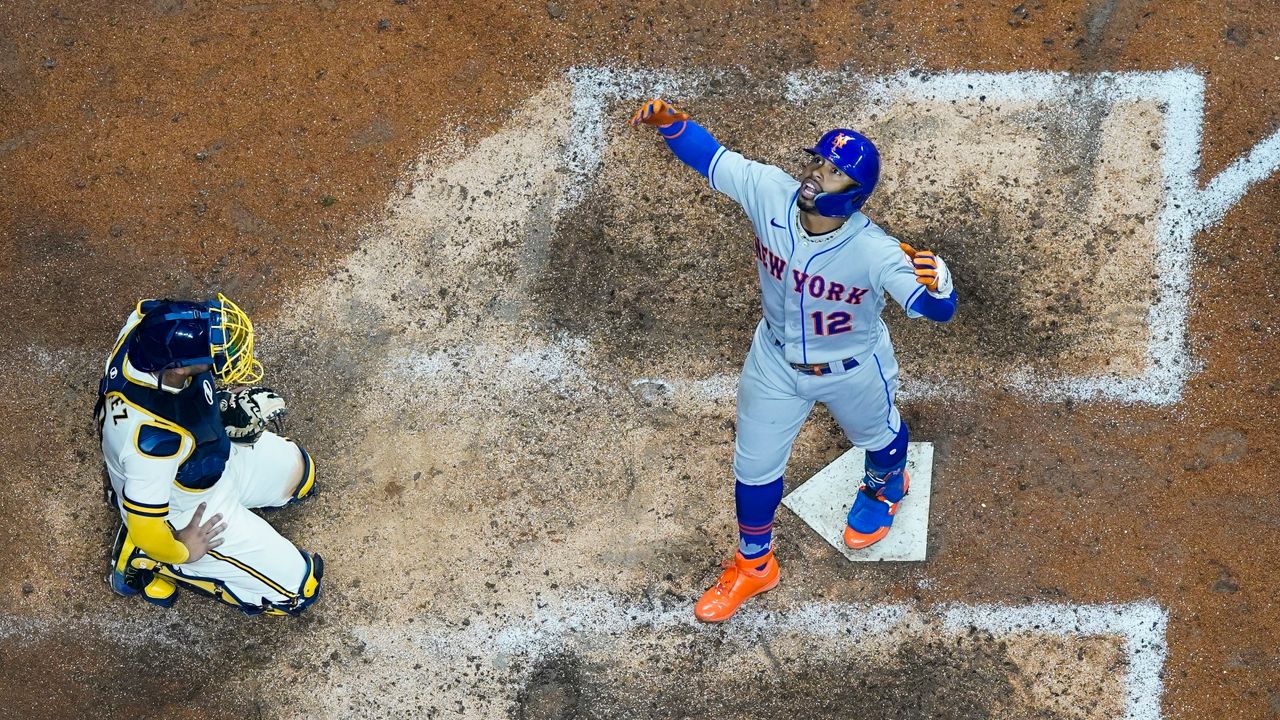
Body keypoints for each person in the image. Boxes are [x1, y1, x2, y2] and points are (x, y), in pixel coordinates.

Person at [630, 99, 959, 622]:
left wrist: (941, 285)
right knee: (754, 467)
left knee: (876, 436)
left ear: (852, 194)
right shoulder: (771, 194)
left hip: (853, 367)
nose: (815, 175)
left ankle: (888, 483)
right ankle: (754, 564)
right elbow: (713, 158)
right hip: (774, 363)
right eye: (818, 163)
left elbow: (936, 310)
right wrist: (673, 126)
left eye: (832, 173)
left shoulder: (876, 252)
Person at [96, 294, 322, 615]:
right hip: (189, 507)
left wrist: (225, 406)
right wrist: (182, 550)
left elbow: (152, 308)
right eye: (211, 352)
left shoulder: (142, 329)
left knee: (302, 474)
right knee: (298, 592)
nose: (224, 349)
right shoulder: (154, 440)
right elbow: (147, 526)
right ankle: (149, 561)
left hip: (212, 459)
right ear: (176, 367)